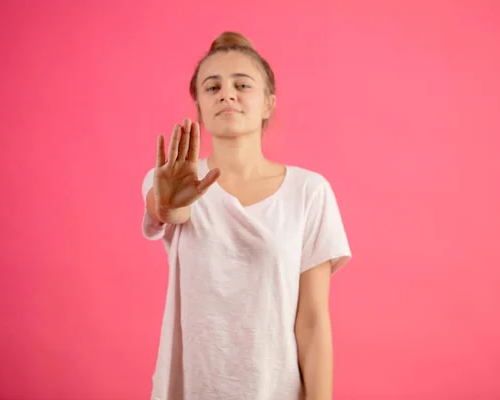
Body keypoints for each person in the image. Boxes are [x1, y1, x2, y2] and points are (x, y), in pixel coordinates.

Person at [141, 31, 352, 400]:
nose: (227, 93)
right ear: (200, 108)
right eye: (212, 87)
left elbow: (313, 321)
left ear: (269, 103)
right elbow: (166, 212)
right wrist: (168, 203)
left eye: (242, 84)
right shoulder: (173, 179)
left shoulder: (308, 191)